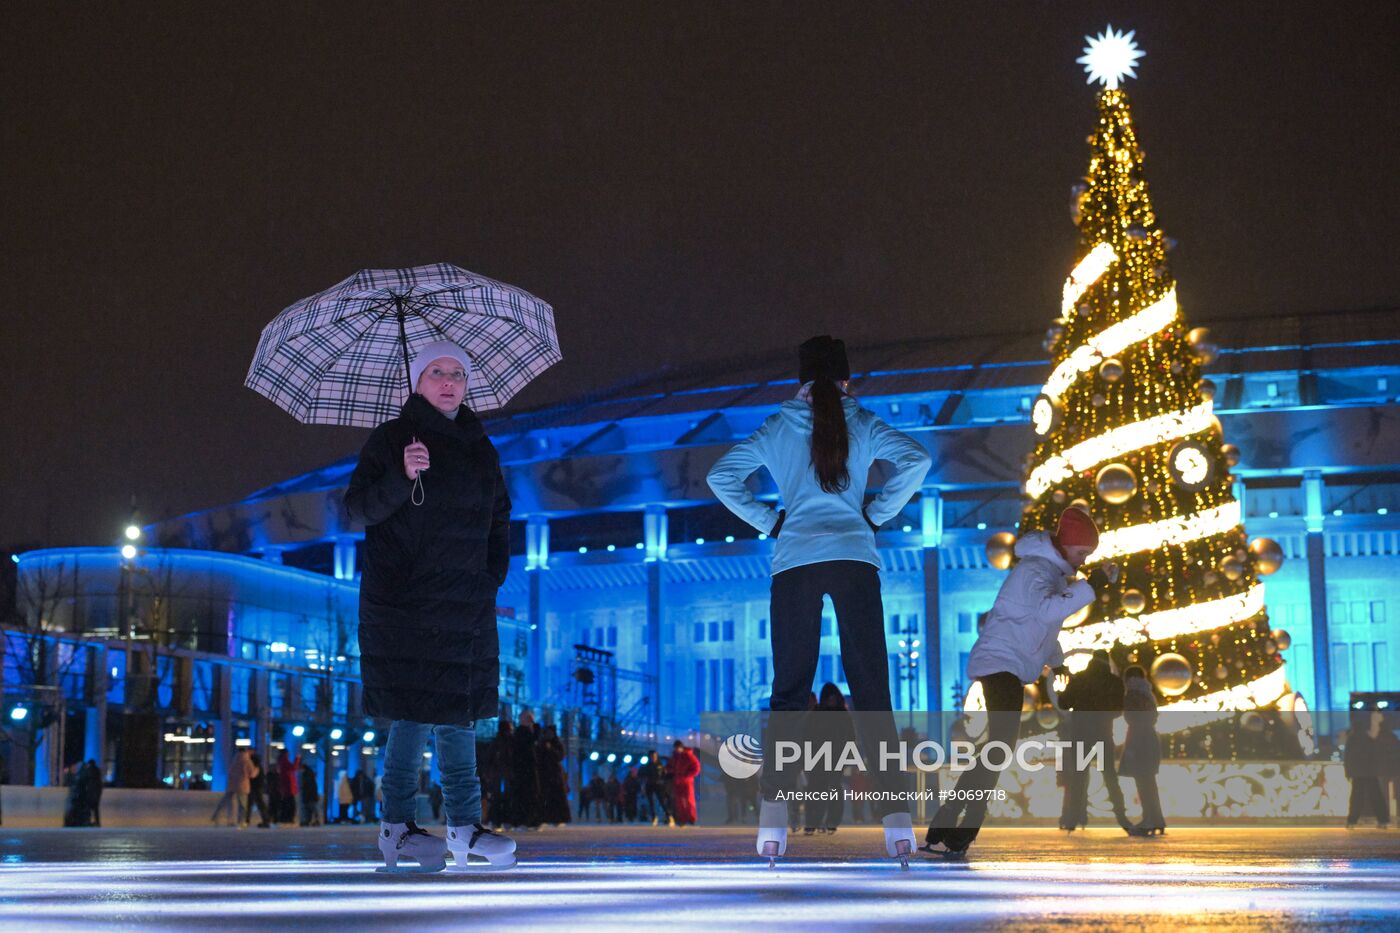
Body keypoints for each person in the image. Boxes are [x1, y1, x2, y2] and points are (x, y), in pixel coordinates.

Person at [708, 335, 931, 863]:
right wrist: (874, 513)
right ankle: (897, 823)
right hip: (854, 559)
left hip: (795, 563)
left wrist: (771, 520)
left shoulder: (777, 425)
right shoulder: (864, 422)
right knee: (872, 689)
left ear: (801, 380)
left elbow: (721, 476)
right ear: (847, 380)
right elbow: (917, 461)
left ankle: (773, 824)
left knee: (790, 692)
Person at [344, 340, 516, 872]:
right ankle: (397, 828)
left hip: (463, 602)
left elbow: (499, 519)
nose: (449, 382)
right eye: (437, 372)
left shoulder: (480, 448)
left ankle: (464, 827)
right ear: (417, 381)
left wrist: (490, 578)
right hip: (407, 603)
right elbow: (356, 510)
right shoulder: (393, 440)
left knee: (459, 716)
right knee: (415, 716)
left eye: (459, 373)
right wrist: (402, 475)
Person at [924, 507, 1117, 856]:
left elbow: (1043, 627)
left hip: (1008, 664)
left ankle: (953, 818)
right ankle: (960, 822)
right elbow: (1047, 613)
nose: (1085, 558)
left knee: (998, 746)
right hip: (1001, 662)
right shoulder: (1034, 571)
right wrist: (1093, 586)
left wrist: (1057, 665)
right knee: (1000, 745)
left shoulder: (1050, 573)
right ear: (1066, 546)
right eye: (1082, 551)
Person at [1058, 650, 1131, 833]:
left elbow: (1064, 703)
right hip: (1103, 733)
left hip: (1081, 733)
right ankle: (1122, 818)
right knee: (1110, 776)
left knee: (1079, 777)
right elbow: (1118, 710)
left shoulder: (1080, 679)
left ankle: (1074, 818)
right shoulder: (1114, 682)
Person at [804, 683, 855, 834]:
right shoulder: (838, 714)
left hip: (833, 758)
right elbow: (806, 736)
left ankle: (828, 821)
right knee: (818, 790)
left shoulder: (836, 714)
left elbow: (850, 738)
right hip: (820, 758)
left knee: (828, 789)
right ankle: (815, 822)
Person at [1119, 665, 1165, 836]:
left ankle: (1149, 819)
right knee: (1149, 781)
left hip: (1139, 739)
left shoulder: (1132, 694)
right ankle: (1156, 818)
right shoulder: (1148, 693)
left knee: (1143, 781)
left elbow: (1130, 717)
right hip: (1150, 738)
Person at [1346, 710, 1391, 829]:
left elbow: (1348, 757)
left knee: (1356, 796)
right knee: (1375, 795)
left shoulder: (1352, 738)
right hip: (1369, 771)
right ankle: (1383, 820)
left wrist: (1348, 772)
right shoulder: (1369, 738)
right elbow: (1375, 754)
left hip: (1358, 772)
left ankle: (1352, 821)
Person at [537, 725, 572, 826]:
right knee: (546, 797)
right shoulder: (542, 743)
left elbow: (560, 756)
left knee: (557, 796)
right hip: (545, 774)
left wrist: (551, 749)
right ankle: (545, 818)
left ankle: (558, 818)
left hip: (555, 773)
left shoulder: (556, 743)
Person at [211, 749, 253, 827]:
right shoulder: (247, 761)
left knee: (225, 802)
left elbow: (230, 772)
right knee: (243, 805)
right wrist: (257, 770)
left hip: (232, 784)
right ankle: (241, 821)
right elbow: (251, 773)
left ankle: (216, 817)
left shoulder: (234, 760)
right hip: (242, 785)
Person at [669, 740, 701, 826]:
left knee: (689, 800)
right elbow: (671, 766)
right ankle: (682, 819)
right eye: (675, 748)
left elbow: (697, 768)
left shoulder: (689, 756)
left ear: (681, 747)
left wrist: (688, 775)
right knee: (679, 801)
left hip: (687, 781)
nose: (676, 750)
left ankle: (691, 818)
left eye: (678, 748)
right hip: (678, 781)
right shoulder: (675, 757)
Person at [247, 753, 271, 828]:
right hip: (258, 787)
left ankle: (246, 820)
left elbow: (252, 776)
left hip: (255, 788)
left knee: (252, 804)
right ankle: (266, 820)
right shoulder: (259, 767)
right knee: (260, 804)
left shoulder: (255, 767)